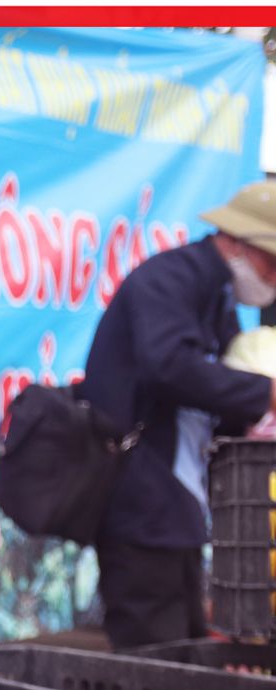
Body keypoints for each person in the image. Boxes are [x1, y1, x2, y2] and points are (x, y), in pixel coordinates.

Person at [81, 181, 276, 649]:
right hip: (140, 506)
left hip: (180, 508)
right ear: (237, 242)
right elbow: (167, 365)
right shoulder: (168, 280)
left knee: (189, 647)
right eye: (272, 263)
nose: (272, 278)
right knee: (155, 657)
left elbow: (218, 387)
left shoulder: (218, 298)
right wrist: (265, 393)